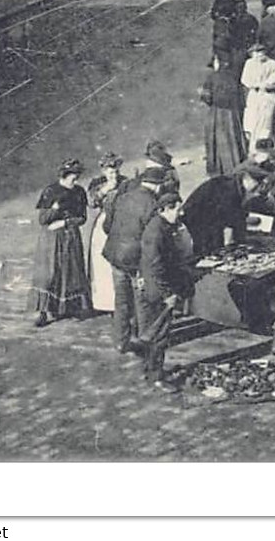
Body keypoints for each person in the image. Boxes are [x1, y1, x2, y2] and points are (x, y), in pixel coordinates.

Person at [102, 164, 166, 354]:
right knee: (143, 303)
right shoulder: (153, 205)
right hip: (135, 260)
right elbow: (151, 240)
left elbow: (107, 226)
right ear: (157, 185)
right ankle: (145, 341)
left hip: (115, 255)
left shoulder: (123, 197)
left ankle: (121, 342)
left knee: (121, 301)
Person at [137, 191, 195, 388]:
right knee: (159, 335)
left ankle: (150, 370)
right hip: (157, 291)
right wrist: (167, 294)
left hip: (151, 287)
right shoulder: (157, 232)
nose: (180, 213)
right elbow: (156, 267)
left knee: (152, 332)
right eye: (177, 209)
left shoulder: (159, 226)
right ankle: (157, 378)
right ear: (165, 209)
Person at [30, 159, 92, 327]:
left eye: (77, 177)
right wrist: (55, 209)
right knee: (50, 273)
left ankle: (67, 307)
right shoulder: (51, 191)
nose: (76, 180)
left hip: (71, 237)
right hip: (52, 239)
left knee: (70, 272)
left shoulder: (79, 192)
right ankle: (42, 310)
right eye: (73, 177)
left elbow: (83, 217)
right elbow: (43, 219)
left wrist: (66, 223)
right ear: (64, 176)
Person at [181, 160, 265, 257]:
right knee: (209, 249)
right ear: (247, 179)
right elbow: (228, 221)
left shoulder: (236, 185)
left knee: (218, 243)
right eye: (257, 184)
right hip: (196, 217)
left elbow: (237, 216)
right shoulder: (230, 190)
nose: (258, 187)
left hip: (210, 214)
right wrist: (231, 246)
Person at [85, 154, 126, 315]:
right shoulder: (96, 183)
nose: (113, 174)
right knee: (101, 263)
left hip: (120, 223)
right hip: (103, 224)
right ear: (103, 171)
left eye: (115, 170)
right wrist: (106, 188)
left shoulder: (125, 181)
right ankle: (103, 302)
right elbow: (92, 202)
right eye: (109, 171)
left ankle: (119, 302)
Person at [200, 64, 248, 178]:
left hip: (217, 113)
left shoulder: (211, 77)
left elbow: (207, 98)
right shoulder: (234, 77)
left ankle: (219, 168)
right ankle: (235, 164)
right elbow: (242, 98)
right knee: (234, 139)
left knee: (217, 140)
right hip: (233, 114)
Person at [240, 41, 275, 150]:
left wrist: (272, 84)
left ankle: (267, 148)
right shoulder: (249, 64)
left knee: (267, 126)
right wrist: (258, 85)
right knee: (252, 124)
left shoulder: (272, 63)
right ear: (252, 54)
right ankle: (254, 149)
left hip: (269, 98)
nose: (260, 55)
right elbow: (245, 80)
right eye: (256, 53)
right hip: (255, 97)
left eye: (261, 52)